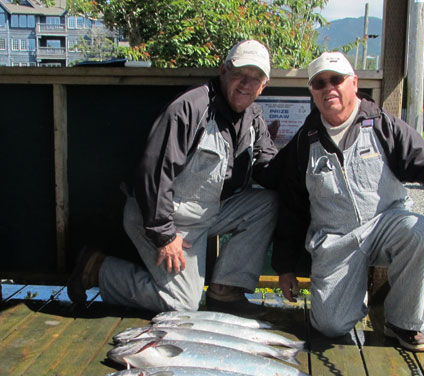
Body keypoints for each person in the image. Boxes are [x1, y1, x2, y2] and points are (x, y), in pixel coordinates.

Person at [270, 51, 424, 352]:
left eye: (336, 79)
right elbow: (291, 208)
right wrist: (285, 267)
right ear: (312, 92)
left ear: (354, 83)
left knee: (423, 232)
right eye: (319, 83)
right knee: (330, 326)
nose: (328, 87)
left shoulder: (386, 126)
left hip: (387, 224)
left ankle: (403, 323)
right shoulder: (303, 143)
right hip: (336, 240)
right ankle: (351, 299)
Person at [68, 40, 278, 317]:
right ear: (223, 70)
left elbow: (268, 165)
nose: (245, 84)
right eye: (239, 74)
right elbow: (153, 174)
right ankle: (97, 269)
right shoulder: (190, 108)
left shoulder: (253, 117)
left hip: (209, 212)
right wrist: (165, 237)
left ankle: (226, 291)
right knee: (181, 305)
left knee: (266, 203)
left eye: (255, 79)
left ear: (263, 85)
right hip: (162, 218)